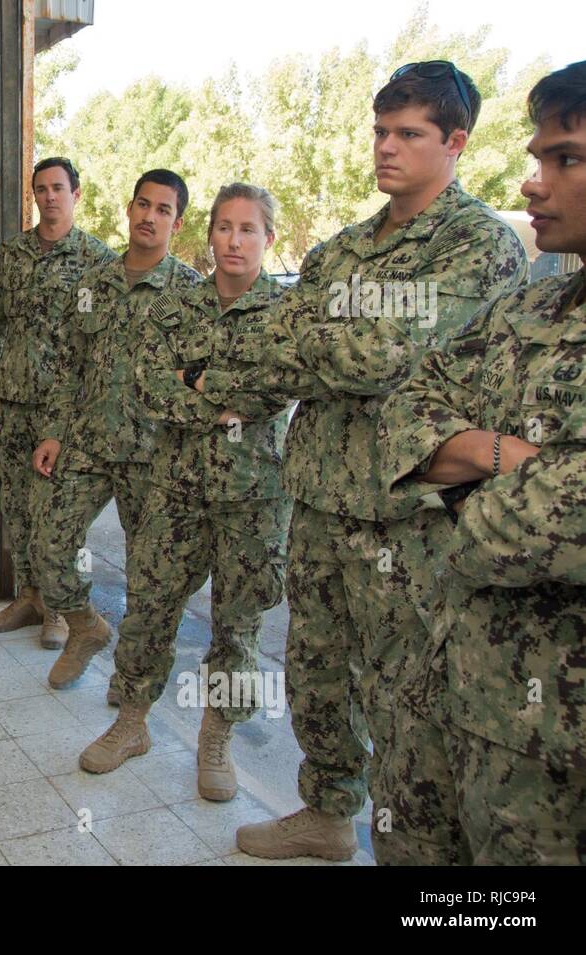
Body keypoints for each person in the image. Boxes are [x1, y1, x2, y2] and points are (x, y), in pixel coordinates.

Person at [201, 62, 528, 861]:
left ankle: (417, 854)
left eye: (409, 134)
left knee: (406, 704)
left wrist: (310, 348)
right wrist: (319, 351)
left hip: (409, 520)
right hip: (315, 500)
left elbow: (383, 353)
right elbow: (273, 354)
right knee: (314, 677)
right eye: (381, 130)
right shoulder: (342, 249)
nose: (386, 147)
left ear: (455, 142)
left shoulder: (479, 245)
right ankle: (325, 812)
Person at [376, 60, 586, 865]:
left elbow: (521, 530)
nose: (533, 184)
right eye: (538, 159)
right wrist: (502, 454)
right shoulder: (535, 304)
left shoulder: (485, 253)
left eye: (563, 159)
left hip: (549, 756)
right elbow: (407, 405)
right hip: (450, 697)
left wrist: (459, 485)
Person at [77, 184, 295, 803]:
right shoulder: (174, 307)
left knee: (238, 625)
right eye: (224, 227)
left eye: (248, 229)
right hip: (174, 491)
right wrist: (221, 400)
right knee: (148, 609)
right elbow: (148, 390)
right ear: (210, 234)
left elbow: (273, 389)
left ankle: (215, 737)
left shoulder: (286, 314)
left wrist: (197, 384)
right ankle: (131, 723)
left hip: (253, 499)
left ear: (267, 239)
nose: (233, 240)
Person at [30, 169, 203, 690]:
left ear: (177, 221)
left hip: (154, 455)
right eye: (143, 205)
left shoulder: (191, 293)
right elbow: (68, 365)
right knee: (48, 543)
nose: (149, 216)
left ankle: (131, 693)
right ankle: (85, 627)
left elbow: (201, 382)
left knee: (150, 580)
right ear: (129, 209)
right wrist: (54, 431)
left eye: (163, 209)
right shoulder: (93, 284)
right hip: (88, 442)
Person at [0, 157, 114, 649]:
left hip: (66, 412)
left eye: (58, 188)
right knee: (16, 504)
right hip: (12, 401)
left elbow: (102, 344)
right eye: (41, 189)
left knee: (58, 512)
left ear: (76, 193)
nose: (49, 197)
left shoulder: (99, 261)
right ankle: (31, 596)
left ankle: (62, 609)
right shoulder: (9, 256)